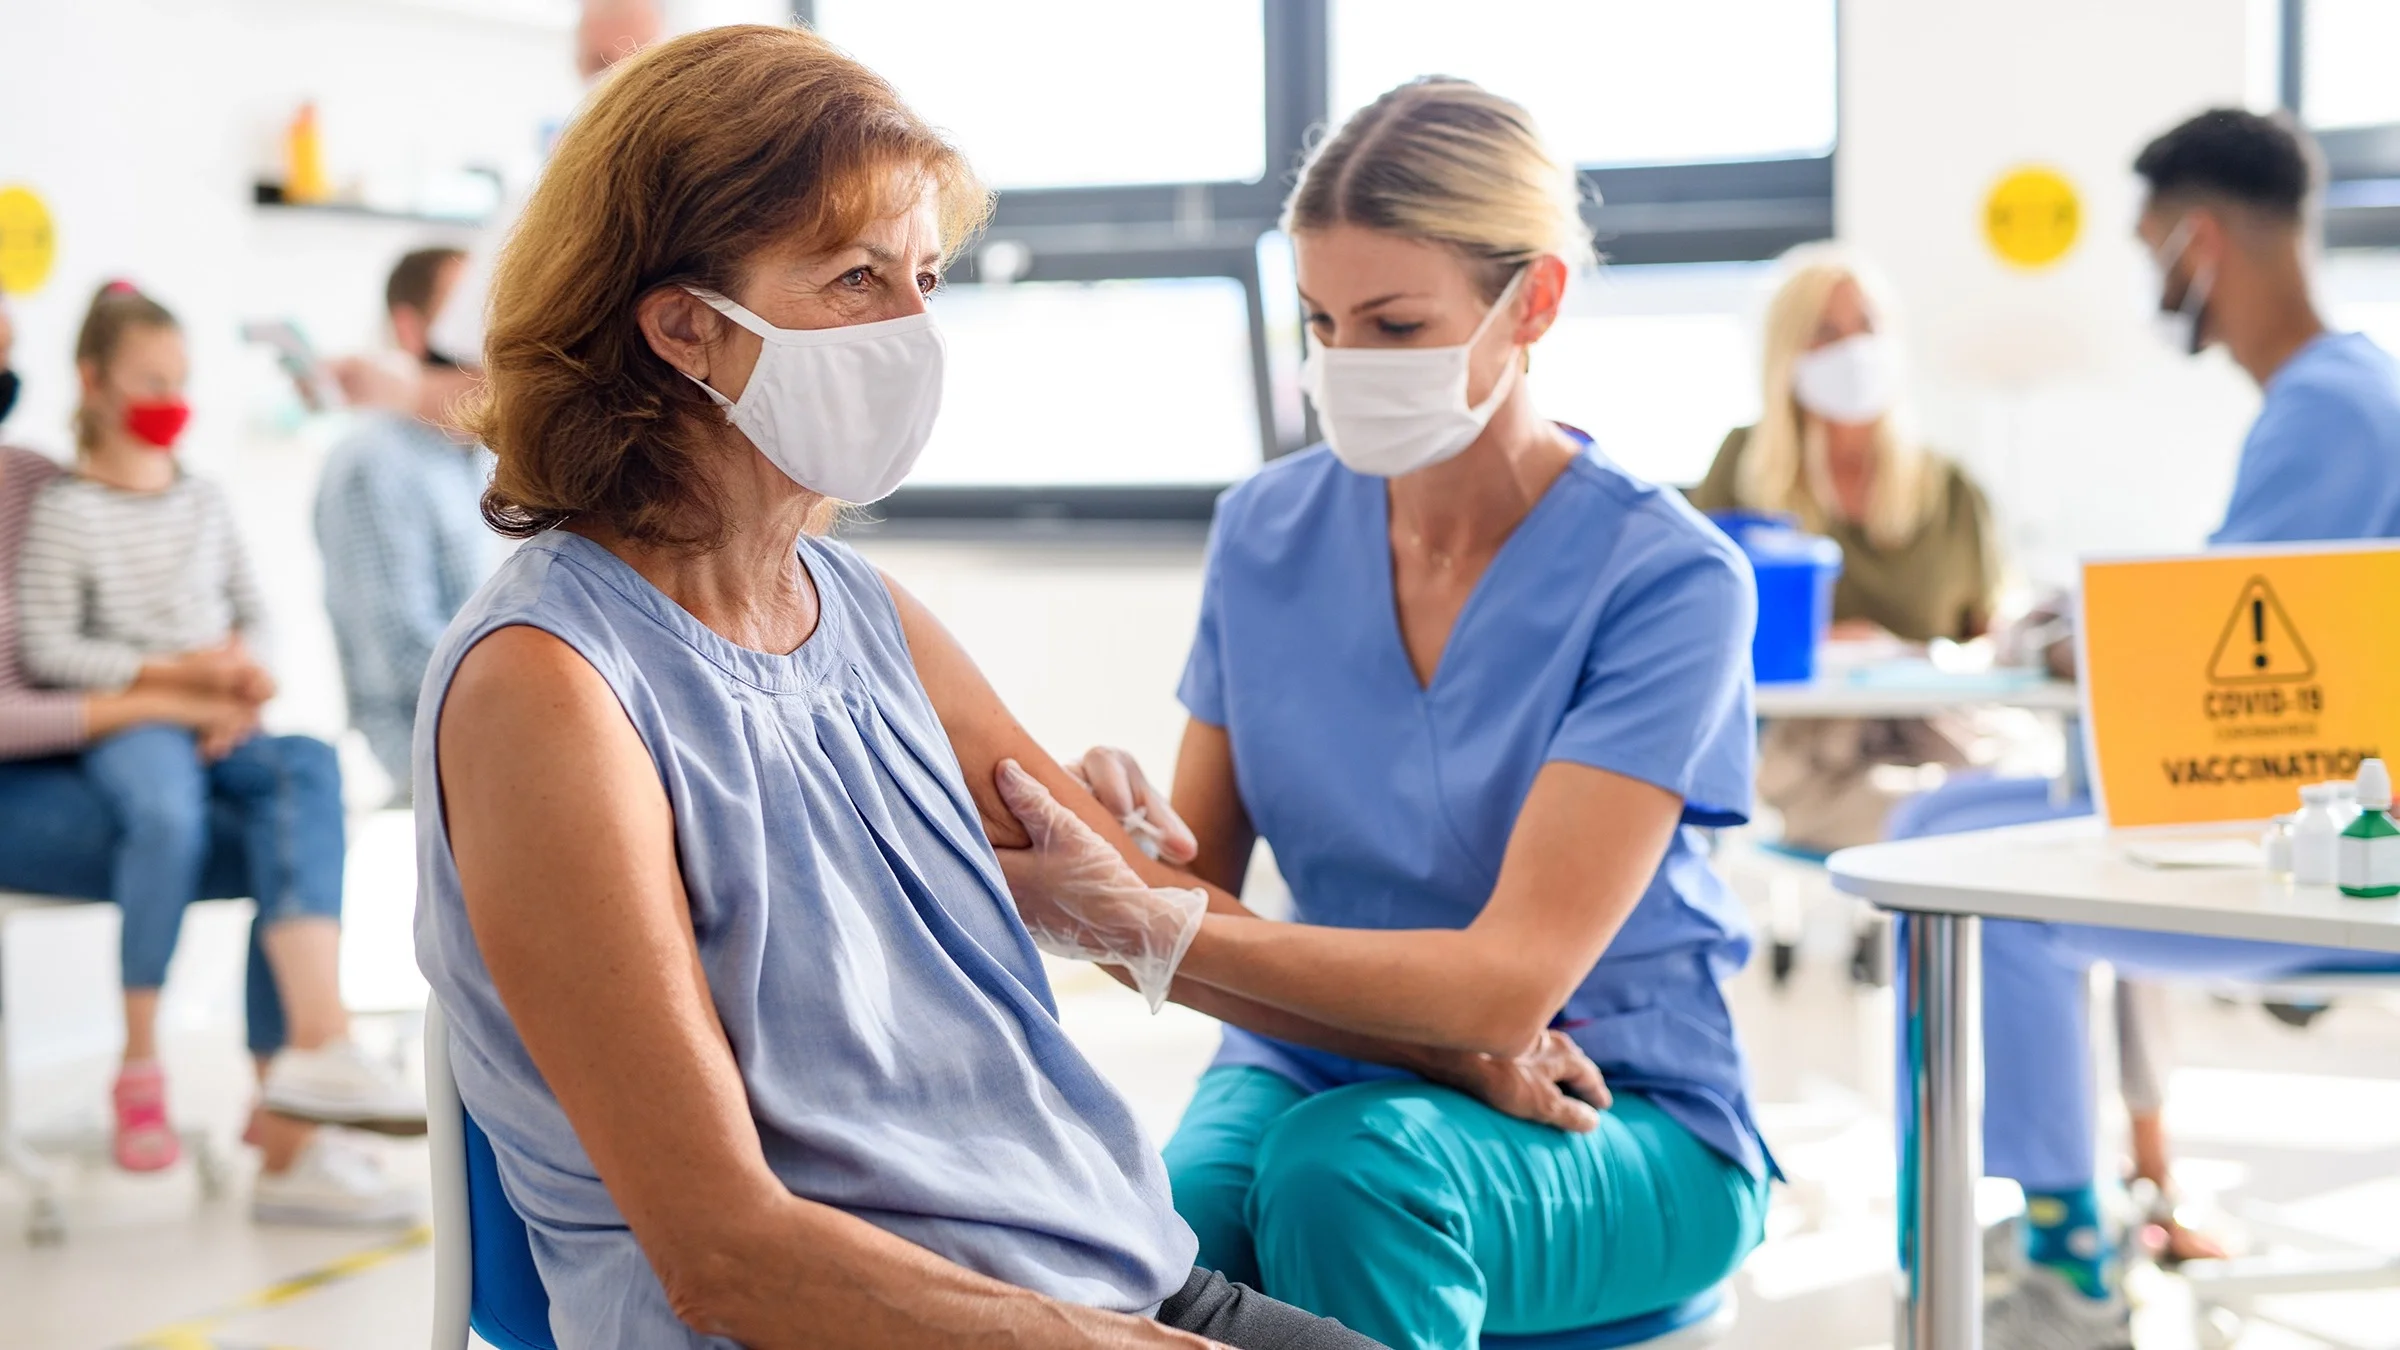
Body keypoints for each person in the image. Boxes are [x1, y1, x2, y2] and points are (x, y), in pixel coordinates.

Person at [420, 28, 1624, 1348]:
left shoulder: (867, 619)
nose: (914, 329)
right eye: (856, 278)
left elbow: (1150, 910)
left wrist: (1452, 1048)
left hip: (1098, 1274)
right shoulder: (548, 690)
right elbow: (727, 1254)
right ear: (686, 328)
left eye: (925, 276)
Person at [984, 77, 1775, 1350]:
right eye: (1321, 321)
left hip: (1619, 1100)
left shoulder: (1669, 579)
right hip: (1313, 1058)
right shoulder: (1267, 531)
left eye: (1397, 325)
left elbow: (1513, 987)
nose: (1346, 365)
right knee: (1154, 1229)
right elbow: (1209, 896)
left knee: (1352, 1181)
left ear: (1535, 302)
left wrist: (1147, 915)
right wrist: (1123, 850)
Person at [1968, 108, 2400, 1349]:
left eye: (2155, 245)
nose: (2155, 277)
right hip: (2297, 820)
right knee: (1959, 828)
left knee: (1977, 880)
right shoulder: (2336, 397)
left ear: (2200, 242)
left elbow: (2229, 661)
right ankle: (2063, 1198)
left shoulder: (2333, 409)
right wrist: (2096, 621)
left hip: (2322, 858)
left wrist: (2074, 638)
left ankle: (2059, 1238)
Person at [0, 300, 420, 1223]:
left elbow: (250, 606)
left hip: (205, 719)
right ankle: (158, 1063)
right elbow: (46, 655)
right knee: (175, 818)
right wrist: (178, 687)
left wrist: (240, 682)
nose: (170, 401)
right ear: (96, 384)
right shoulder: (65, 507)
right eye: (153, 383)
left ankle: (313, 1063)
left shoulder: (128, 488)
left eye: (180, 383)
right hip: (123, 740)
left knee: (303, 775)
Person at [1691, 245, 1998, 853]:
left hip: (1933, 735)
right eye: (1826, 331)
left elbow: (1989, 643)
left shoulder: (1951, 491)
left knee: (1979, 810)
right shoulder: (1744, 469)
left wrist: (1906, 654)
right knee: (1926, 832)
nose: (1853, 348)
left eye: (1867, 327)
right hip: (1801, 752)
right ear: (1787, 352)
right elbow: (1699, 621)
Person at [315, 248, 502, 801]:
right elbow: (402, 652)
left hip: (500, 709)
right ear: (412, 329)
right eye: (465, 311)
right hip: (431, 743)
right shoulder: (374, 464)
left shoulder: (478, 454)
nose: (485, 329)